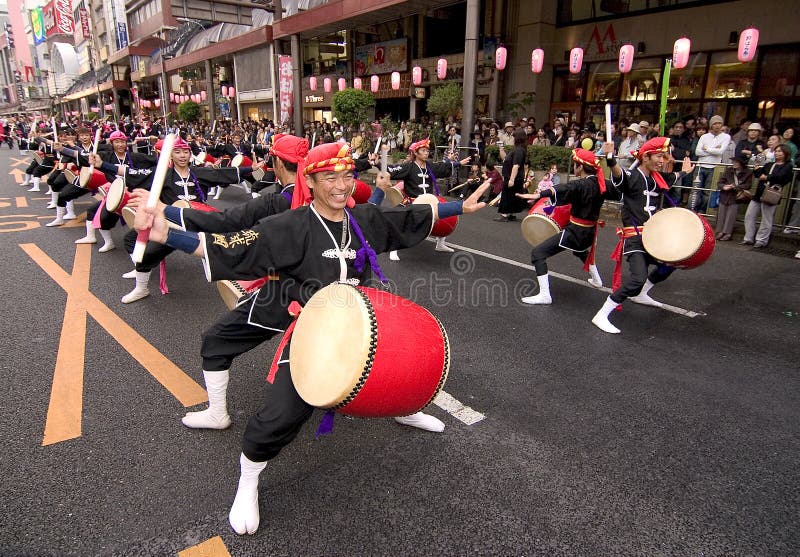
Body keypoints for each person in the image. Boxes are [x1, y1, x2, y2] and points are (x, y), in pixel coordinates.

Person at [133, 142, 489, 535]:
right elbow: (228, 247)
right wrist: (168, 233)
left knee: (402, 371)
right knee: (278, 418)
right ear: (311, 180)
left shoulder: (363, 219)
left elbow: (407, 217)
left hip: (364, 317)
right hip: (313, 326)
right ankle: (248, 479)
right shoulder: (289, 225)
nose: (342, 185)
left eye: (348, 176)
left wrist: (460, 208)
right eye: (330, 177)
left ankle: (403, 407)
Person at [89, 136, 258, 303]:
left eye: (185, 152)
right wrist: (102, 165)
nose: (182, 155)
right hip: (171, 224)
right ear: (171, 155)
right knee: (145, 253)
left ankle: (243, 287)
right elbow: (131, 172)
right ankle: (141, 288)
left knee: (228, 244)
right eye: (177, 152)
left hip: (198, 219)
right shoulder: (161, 175)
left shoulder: (198, 173)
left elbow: (222, 174)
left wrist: (251, 168)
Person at [591, 137, 695, 334]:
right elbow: (618, 173)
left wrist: (685, 172)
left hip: (653, 237)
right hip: (635, 237)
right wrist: (610, 157)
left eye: (664, 156)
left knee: (670, 264)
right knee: (637, 278)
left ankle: (642, 293)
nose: (662, 160)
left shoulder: (657, 179)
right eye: (659, 156)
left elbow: (672, 177)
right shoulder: (632, 176)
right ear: (645, 157)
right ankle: (602, 314)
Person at [516, 148, 612, 304]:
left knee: (538, 254)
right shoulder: (602, 183)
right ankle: (596, 279)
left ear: (580, 167)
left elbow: (563, 189)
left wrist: (538, 194)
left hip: (576, 230)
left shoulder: (581, 184)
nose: (574, 168)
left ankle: (545, 295)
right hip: (589, 232)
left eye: (575, 164)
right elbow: (619, 188)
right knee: (579, 250)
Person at [385, 138, 471, 257]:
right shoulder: (409, 167)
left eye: (427, 150)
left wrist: (458, 163)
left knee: (446, 215)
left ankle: (440, 244)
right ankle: (393, 249)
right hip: (413, 202)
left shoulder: (430, 166)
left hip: (430, 202)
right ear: (416, 153)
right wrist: (378, 162)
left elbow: (442, 167)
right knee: (400, 222)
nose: (426, 153)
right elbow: (391, 169)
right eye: (423, 150)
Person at [741, 145, 793, 248]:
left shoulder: (787, 166)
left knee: (766, 219)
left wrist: (768, 177)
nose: (777, 153)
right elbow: (759, 175)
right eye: (776, 151)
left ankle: (761, 240)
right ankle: (748, 238)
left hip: (771, 194)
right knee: (749, 215)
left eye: (780, 152)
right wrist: (756, 169)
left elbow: (782, 177)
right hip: (759, 193)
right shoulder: (769, 164)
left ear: (785, 154)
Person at [691, 115, 730, 212]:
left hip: (714, 167)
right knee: (696, 189)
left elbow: (720, 152)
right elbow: (697, 152)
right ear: (711, 125)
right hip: (700, 166)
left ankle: (702, 211)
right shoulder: (704, 136)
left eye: (719, 123)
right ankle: (692, 209)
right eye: (715, 123)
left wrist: (707, 148)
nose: (717, 125)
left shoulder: (726, 137)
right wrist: (714, 149)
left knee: (708, 191)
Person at [715, 153, 753, 241]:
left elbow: (748, 185)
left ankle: (727, 233)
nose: (734, 163)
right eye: (734, 161)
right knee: (721, 214)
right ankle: (719, 232)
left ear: (742, 163)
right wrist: (723, 186)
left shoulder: (748, 172)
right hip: (725, 194)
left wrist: (735, 187)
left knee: (731, 215)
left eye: (737, 162)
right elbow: (720, 182)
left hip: (736, 196)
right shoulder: (728, 170)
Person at [494, 129, 529, 222]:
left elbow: (516, 165)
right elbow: (506, 159)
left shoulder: (519, 150)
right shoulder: (519, 149)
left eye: (514, 137)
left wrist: (512, 179)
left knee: (507, 194)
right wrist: (501, 149)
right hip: (515, 176)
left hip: (513, 176)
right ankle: (511, 213)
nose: (513, 139)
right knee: (514, 195)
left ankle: (505, 214)